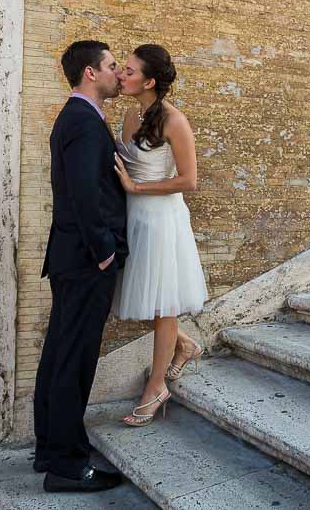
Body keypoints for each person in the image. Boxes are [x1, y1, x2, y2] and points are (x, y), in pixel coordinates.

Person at [35, 40, 127, 493]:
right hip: (88, 259)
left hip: (71, 256)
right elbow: (86, 195)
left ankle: (50, 449)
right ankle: (69, 466)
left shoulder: (76, 117)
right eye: (112, 66)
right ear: (90, 73)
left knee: (59, 353)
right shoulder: (84, 123)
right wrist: (105, 251)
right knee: (75, 359)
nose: (116, 73)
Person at [111, 43, 208, 426]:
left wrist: (137, 190)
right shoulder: (130, 113)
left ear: (149, 81)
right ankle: (184, 344)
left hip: (162, 219)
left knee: (163, 302)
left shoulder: (174, 120)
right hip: (135, 217)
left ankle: (156, 386)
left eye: (130, 71)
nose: (121, 74)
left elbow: (189, 179)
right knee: (148, 297)